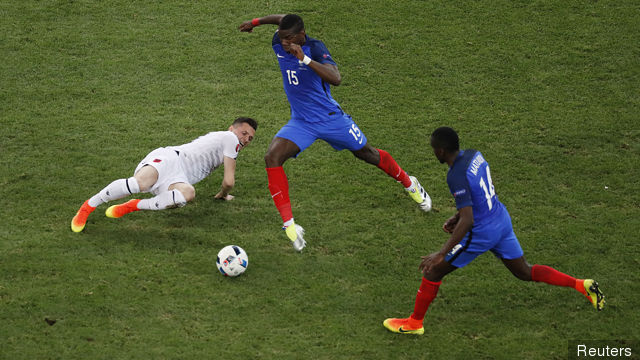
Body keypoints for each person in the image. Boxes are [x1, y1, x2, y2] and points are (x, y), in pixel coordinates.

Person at [383, 126, 605, 335]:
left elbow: (469, 220)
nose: (434, 153)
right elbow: (477, 194)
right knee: (523, 272)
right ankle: (582, 285)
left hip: (482, 231)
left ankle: (414, 323)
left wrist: (441, 252)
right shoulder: (474, 155)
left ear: (441, 150)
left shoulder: (455, 176)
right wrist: (456, 215)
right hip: (500, 219)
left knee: (433, 271)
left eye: (434, 149)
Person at [238, 14, 431, 252]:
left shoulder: (315, 48)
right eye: (282, 38)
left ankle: (410, 183)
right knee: (272, 157)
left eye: (290, 39)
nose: (285, 43)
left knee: (367, 154)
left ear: (301, 34)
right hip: (301, 122)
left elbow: (336, 78)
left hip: (332, 120)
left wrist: (305, 59)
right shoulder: (278, 42)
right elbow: (281, 18)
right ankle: (290, 226)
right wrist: (255, 23)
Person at [71, 117, 258, 232]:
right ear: (231, 129)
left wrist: (223, 192)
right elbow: (229, 181)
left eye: (250, 138)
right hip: (170, 158)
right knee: (139, 184)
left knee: (188, 194)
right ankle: (88, 207)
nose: (245, 139)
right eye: (243, 133)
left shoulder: (228, 143)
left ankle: (133, 206)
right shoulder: (230, 139)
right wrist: (223, 194)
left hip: (179, 177)